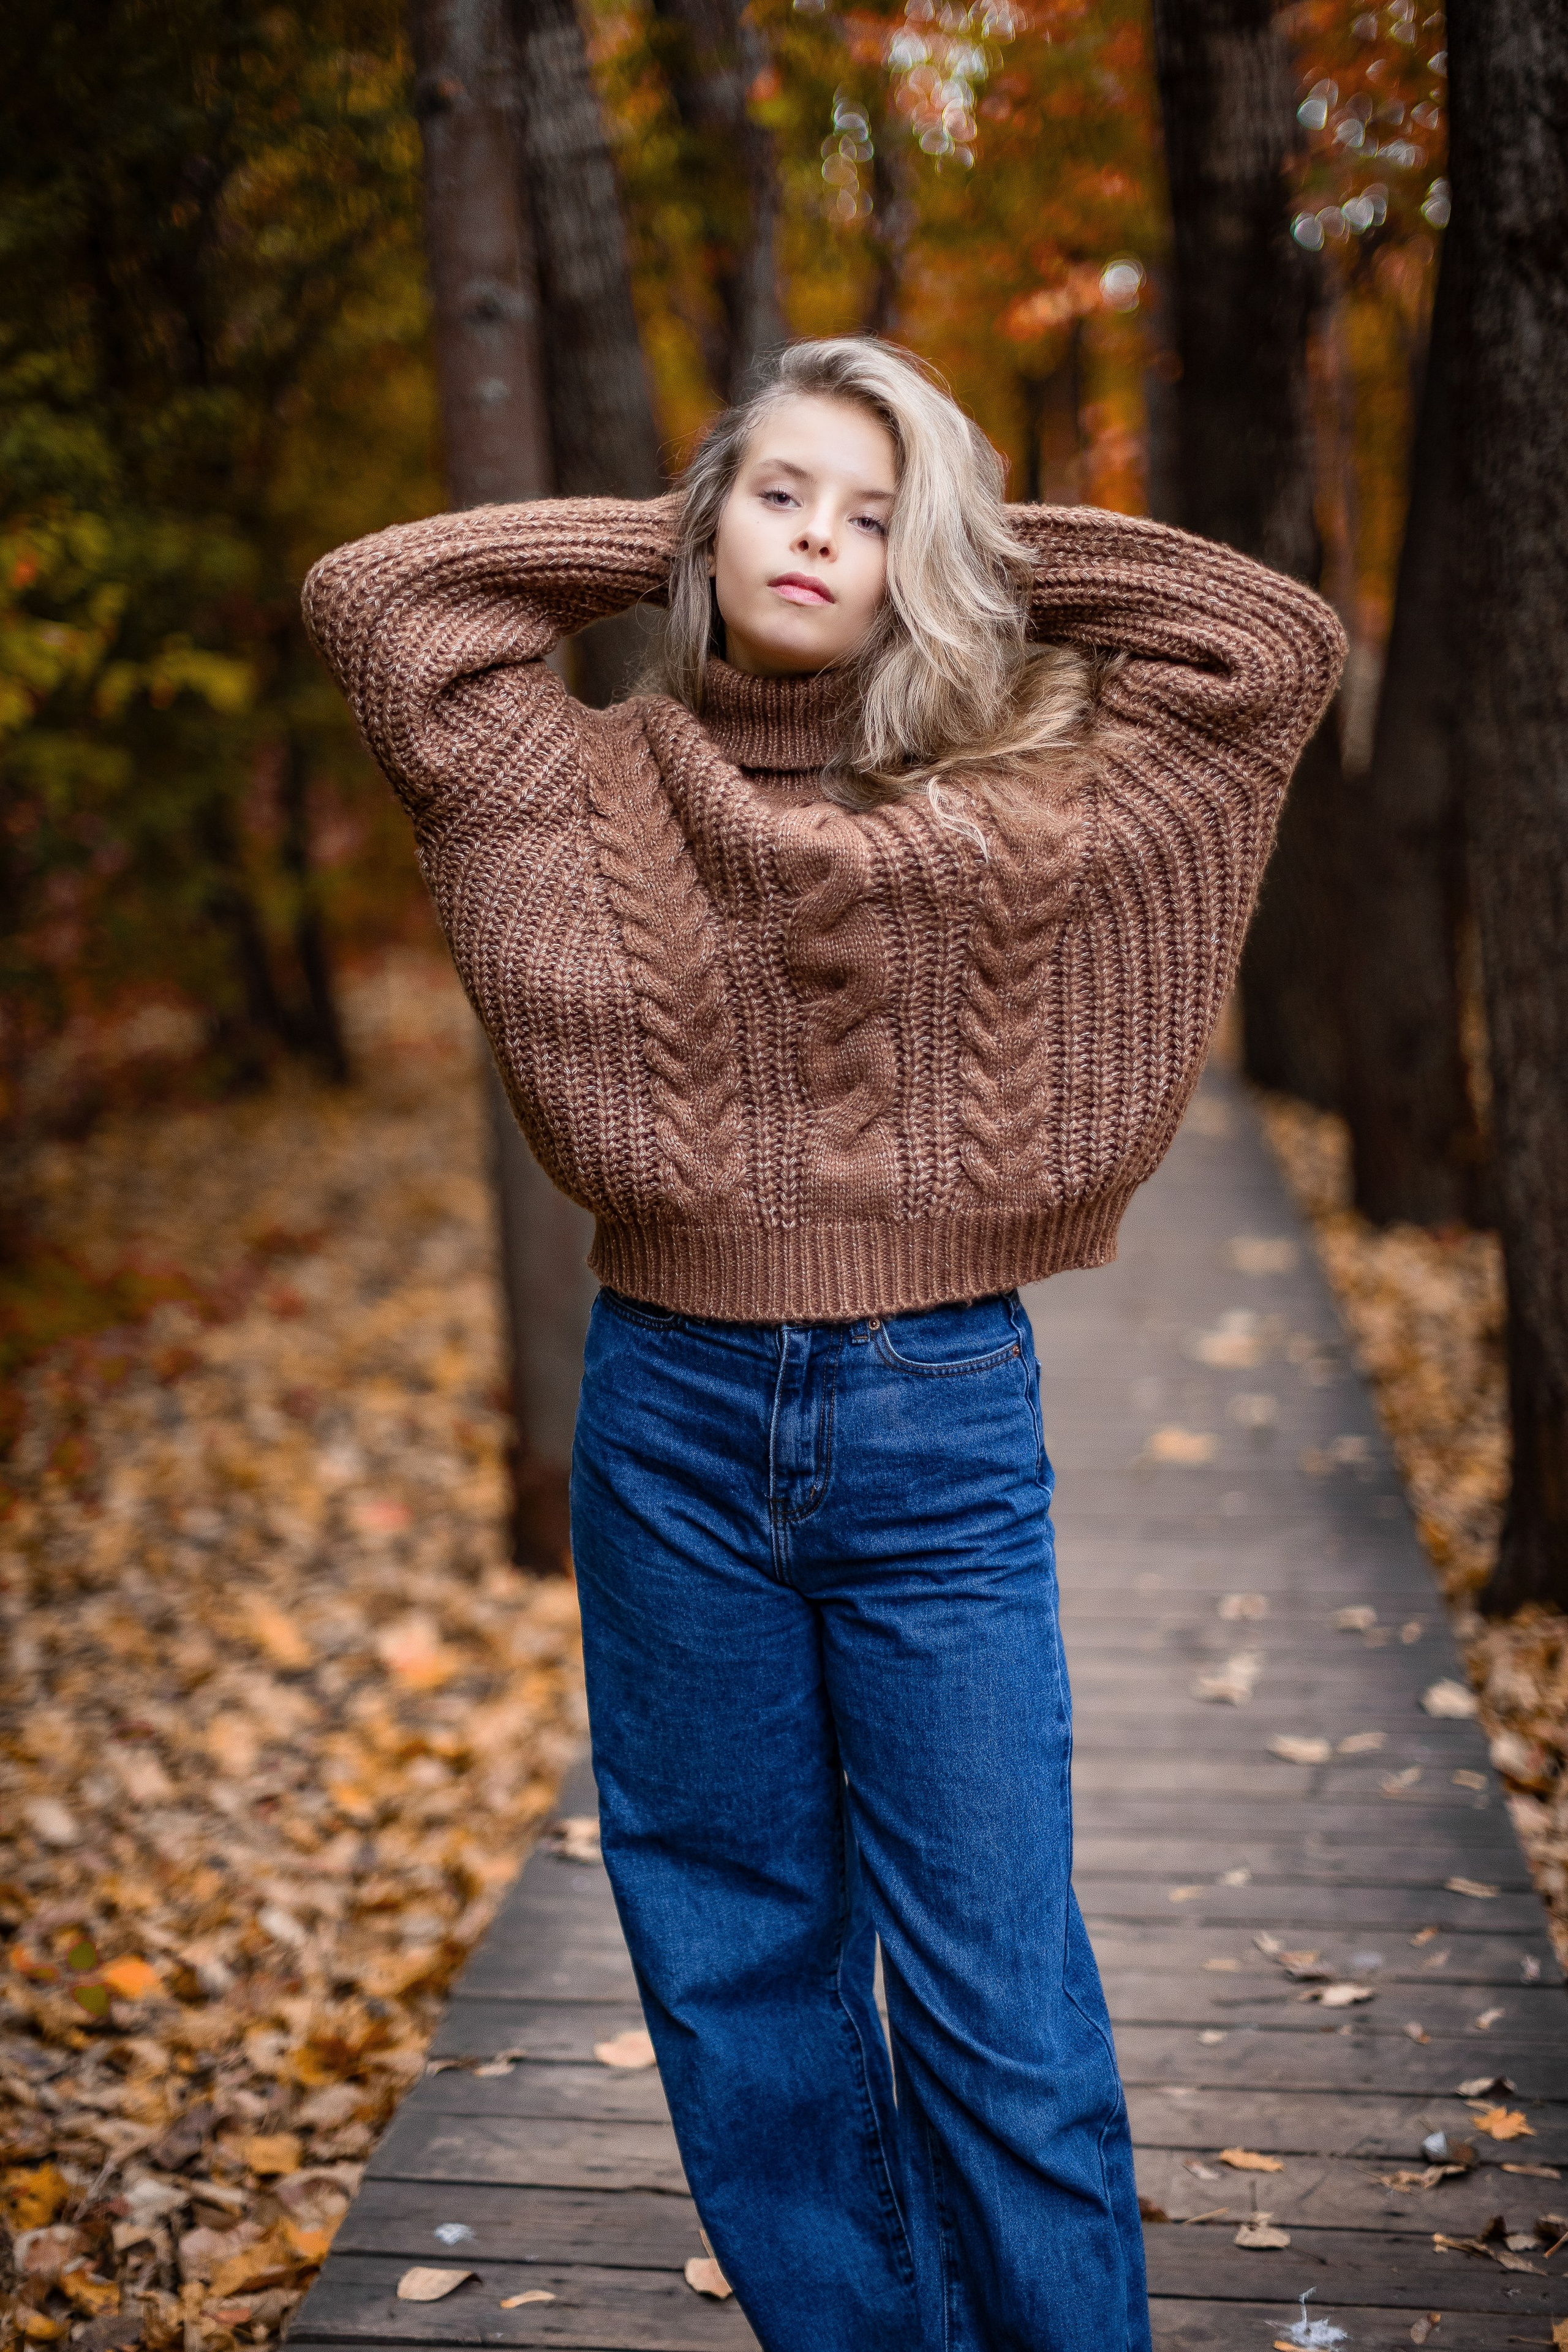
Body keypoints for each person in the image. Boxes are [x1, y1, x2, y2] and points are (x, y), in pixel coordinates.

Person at [304, 337, 1344, 2352]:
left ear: (923, 561)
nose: (819, 541)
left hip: (932, 1418)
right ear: (712, 519)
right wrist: (681, 534)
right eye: (781, 493)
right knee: (732, 1964)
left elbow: (1265, 648)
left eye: (875, 520)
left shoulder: (1018, 806)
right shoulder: (574, 773)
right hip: (667, 1419)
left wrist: (959, 536)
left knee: (996, 1992)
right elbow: (386, 600)